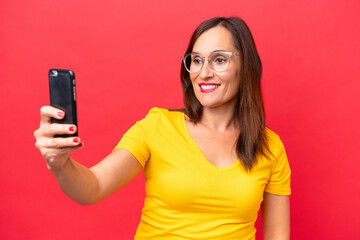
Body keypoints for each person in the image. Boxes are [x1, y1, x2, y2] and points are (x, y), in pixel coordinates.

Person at [34, 17, 291, 240]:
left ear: (245, 66)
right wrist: (60, 163)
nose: (204, 72)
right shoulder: (157, 126)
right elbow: (93, 187)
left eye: (219, 60)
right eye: (196, 60)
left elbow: (277, 235)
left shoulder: (270, 147)